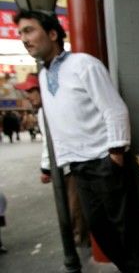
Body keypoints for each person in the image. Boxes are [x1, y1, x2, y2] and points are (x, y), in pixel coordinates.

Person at [14, 10, 139, 272]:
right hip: (78, 169)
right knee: (101, 233)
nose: (24, 38)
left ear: (53, 34)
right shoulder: (43, 77)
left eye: (29, 30)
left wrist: (114, 155)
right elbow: (54, 125)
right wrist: (49, 164)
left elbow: (114, 109)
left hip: (104, 162)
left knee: (130, 234)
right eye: (21, 33)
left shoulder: (83, 64)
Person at [14, 73, 90, 247]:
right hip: (66, 164)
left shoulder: (47, 109)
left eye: (31, 91)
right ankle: (78, 237)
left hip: (68, 165)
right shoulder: (47, 108)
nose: (28, 96)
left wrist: (45, 168)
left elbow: (51, 142)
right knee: (71, 204)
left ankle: (80, 238)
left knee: (73, 206)